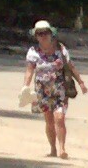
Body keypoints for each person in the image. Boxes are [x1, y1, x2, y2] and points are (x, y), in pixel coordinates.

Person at [21, 20, 83, 159]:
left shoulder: (61, 49)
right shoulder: (33, 52)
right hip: (42, 90)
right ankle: (53, 148)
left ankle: (62, 148)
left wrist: (81, 82)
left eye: (46, 33)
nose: (43, 36)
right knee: (49, 120)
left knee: (59, 118)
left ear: (51, 34)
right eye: (39, 34)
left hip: (59, 89)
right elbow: (29, 70)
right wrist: (26, 86)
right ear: (36, 36)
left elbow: (71, 66)